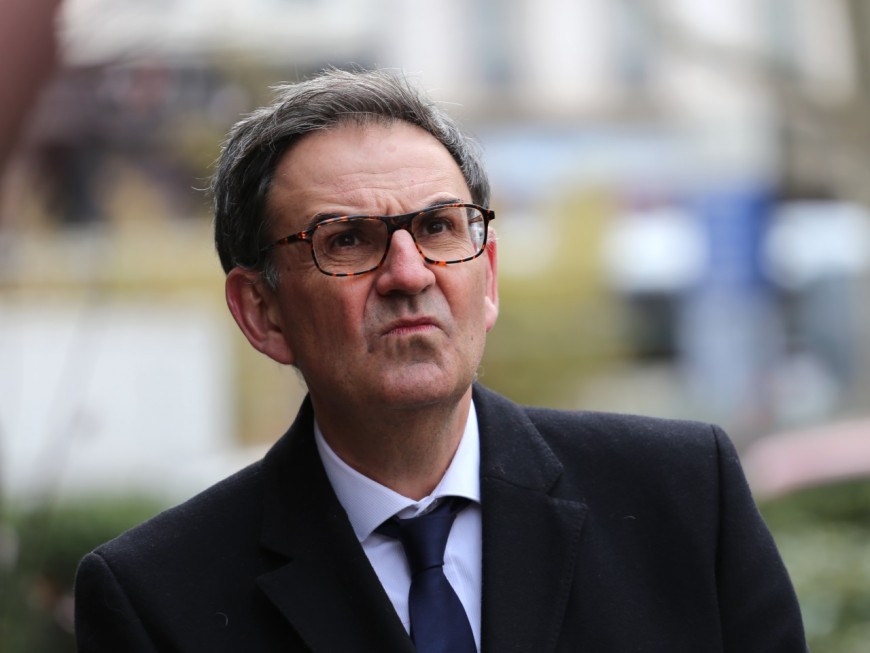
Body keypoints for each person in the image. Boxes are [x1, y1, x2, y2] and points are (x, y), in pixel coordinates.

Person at [74, 68, 808, 652]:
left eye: (437, 227)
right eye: (347, 240)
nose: (409, 273)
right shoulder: (156, 598)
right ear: (262, 312)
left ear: (487, 278)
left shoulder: (684, 497)